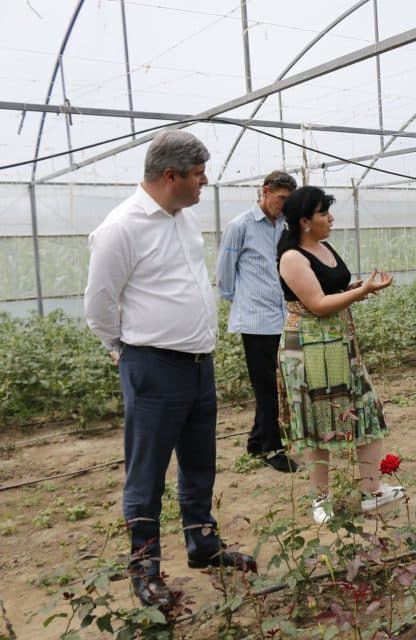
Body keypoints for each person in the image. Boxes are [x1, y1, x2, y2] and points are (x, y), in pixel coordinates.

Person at [84, 130, 256, 611]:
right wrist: (125, 349)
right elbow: (99, 304)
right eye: (198, 174)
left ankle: (203, 544)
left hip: (198, 363)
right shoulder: (123, 227)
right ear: (169, 175)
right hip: (154, 365)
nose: (205, 182)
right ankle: (145, 569)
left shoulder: (183, 218)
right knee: (148, 471)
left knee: (199, 462)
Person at [276, 186, 404, 525]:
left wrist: (354, 290)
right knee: (318, 421)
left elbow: (329, 291)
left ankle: (371, 491)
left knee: (365, 409)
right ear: (304, 221)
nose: (331, 218)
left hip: (339, 343)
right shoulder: (292, 257)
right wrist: (362, 291)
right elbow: (316, 305)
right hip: (310, 347)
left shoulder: (324, 247)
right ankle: (321, 500)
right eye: (323, 213)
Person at [216, 170, 300, 473]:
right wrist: (242, 303)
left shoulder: (285, 227)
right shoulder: (241, 226)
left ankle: (255, 441)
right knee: (266, 387)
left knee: (278, 383)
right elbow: (225, 274)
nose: (284, 205)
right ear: (264, 192)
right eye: (280, 199)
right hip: (255, 320)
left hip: (281, 316)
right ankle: (272, 449)